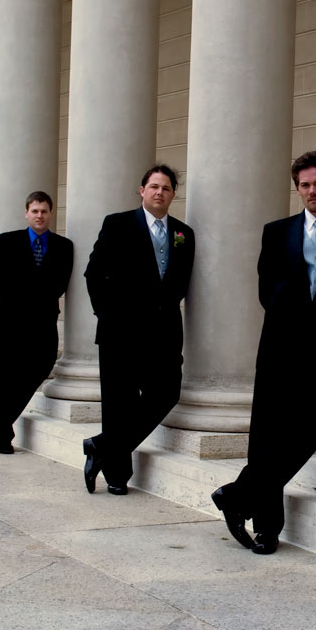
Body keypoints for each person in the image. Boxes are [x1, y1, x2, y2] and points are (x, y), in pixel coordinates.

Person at [212, 151, 316, 554]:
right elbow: (268, 290)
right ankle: (267, 528)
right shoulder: (276, 231)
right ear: (297, 189)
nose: (312, 191)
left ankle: (238, 495)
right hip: (281, 347)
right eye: (304, 185)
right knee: (269, 436)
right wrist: (304, 313)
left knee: (314, 429)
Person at [81, 164, 194, 495]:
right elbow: (93, 274)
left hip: (164, 331)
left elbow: (181, 280)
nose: (160, 192)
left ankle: (101, 446)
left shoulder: (184, 233)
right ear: (142, 190)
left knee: (167, 392)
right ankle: (117, 476)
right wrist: (107, 315)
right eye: (154, 186)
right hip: (120, 330)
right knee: (120, 402)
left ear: (173, 194)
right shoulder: (117, 224)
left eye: (167, 188)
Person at [0, 191, 73, 455]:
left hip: (41, 323)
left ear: (50, 214)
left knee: (41, 366)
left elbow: (59, 284)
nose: (39, 215)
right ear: (26, 213)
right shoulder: (8, 241)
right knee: (0, 381)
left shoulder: (64, 247)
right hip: (6, 322)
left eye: (44, 211)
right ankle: (3, 438)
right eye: (35, 211)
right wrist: (22, 299)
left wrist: (29, 296)